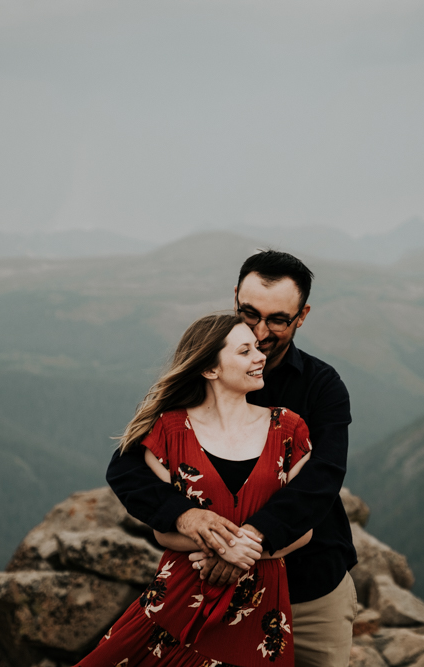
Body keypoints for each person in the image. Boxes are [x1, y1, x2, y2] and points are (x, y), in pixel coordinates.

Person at [107, 250, 358, 666]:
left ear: (303, 316)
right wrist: (185, 517)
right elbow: (126, 467)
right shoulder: (202, 373)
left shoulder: (321, 387)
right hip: (208, 591)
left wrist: (248, 543)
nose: (260, 333)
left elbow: (322, 480)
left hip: (309, 593)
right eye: (249, 313)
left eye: (277, 319)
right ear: (235, 299)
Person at [78, 313, 313, 666]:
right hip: (177, 603)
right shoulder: (170, 431)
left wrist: (238, 553)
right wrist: (227, 545)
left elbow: (304, 527)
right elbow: (164, 532)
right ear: (210, 369)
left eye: (257, 349)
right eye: (245, 351)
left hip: (259, 615)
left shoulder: (289, 429)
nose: (260, 356)